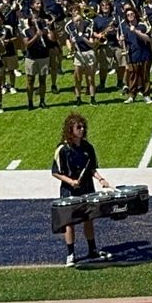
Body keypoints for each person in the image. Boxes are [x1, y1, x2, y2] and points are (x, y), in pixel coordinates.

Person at [51, 113, 112, 266]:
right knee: (69, 222)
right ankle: (71, 254)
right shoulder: (62, 149)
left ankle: (92, 249)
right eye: (78, 127)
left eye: (83, 127)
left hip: (86, 188)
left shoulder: (87, 147)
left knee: (89, 219)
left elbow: (91, 169)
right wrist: (71, 181)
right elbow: (56, 172)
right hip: (69, 191)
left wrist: (101, 179)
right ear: (70, 129)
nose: (82, 130)